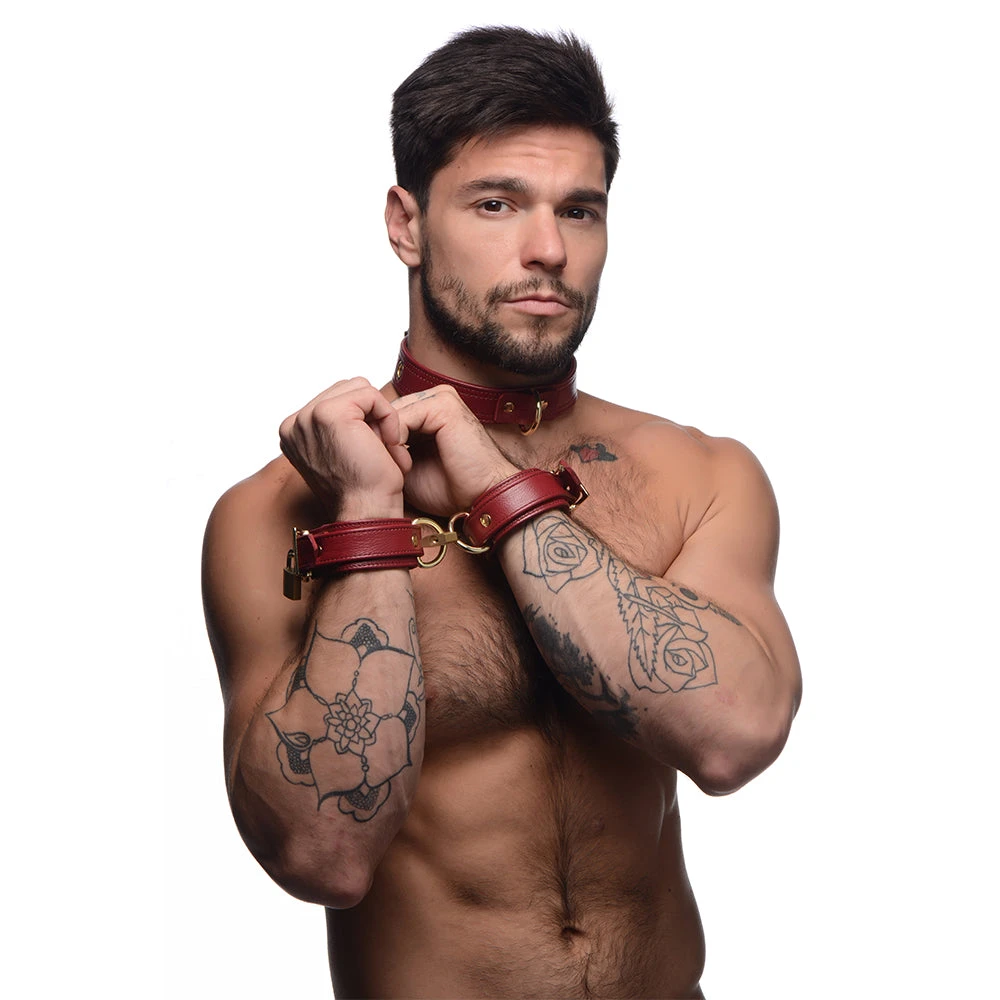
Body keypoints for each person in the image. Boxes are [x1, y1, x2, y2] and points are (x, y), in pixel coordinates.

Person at [202, 25, 801, 999]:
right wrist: (368, 513)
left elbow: (734, 736)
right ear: (406, 225)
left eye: (579, 210)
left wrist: (503, 492)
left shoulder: (696, 473)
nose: (548, 250)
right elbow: (322, 853)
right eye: (496, 203)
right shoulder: (275, 514)